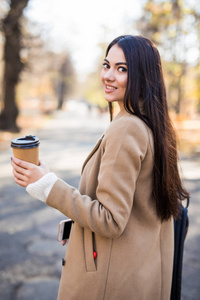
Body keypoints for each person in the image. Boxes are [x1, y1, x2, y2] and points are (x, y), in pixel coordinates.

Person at [11, 35, 189, 300]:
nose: (108, 75)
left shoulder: (127, 128)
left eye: (122, 69)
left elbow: (111, 220)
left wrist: (48, 185)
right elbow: (135, 207)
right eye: (107, 65)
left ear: (143, 76)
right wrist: (78, 225)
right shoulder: (153, 124)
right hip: (141, 275)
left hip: (110, 283)